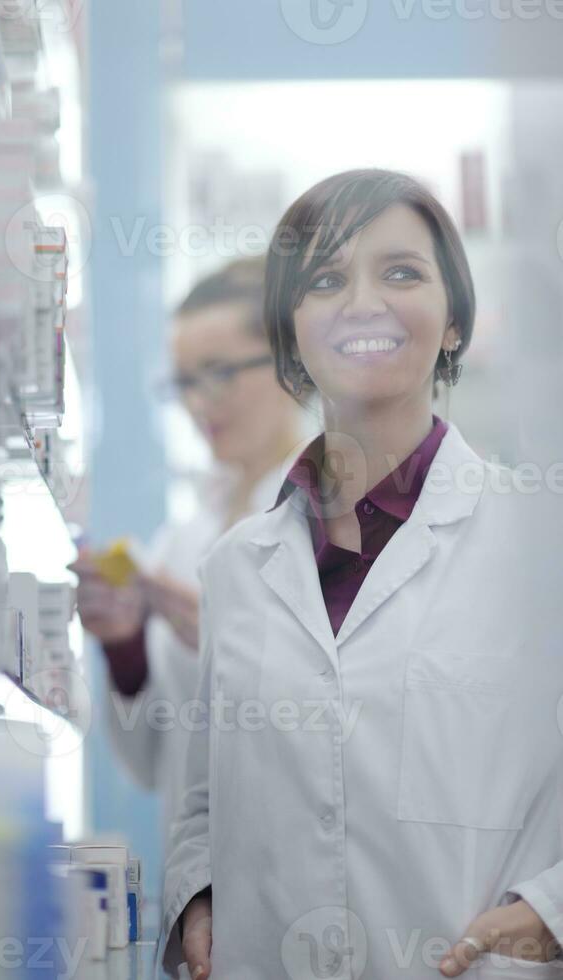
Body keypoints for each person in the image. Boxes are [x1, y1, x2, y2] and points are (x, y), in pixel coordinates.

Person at [161, 169, 563, 979]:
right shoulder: (239, 567)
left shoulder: (541, 543)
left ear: (453, 323)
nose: (363, 301)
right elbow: (203, 797)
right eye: (326, 279)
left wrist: (550, 914)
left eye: (402, 272)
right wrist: (196, 892)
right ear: (291, 333)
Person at [71, 257, 305, 861]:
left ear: (292, 362)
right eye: (183, 381)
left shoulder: (337, 524)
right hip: (201, 900)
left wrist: (234, 648)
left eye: (220, 373)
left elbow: (353, 744)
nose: (201, 402)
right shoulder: (185, 538)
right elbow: (151, 763)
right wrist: (123, 648)